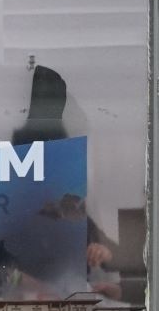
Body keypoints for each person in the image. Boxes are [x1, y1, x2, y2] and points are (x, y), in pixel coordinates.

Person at [10, 63, 119, 284]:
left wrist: (104, 253)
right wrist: (17, 278)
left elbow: (113, 254)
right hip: (29, 300)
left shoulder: (72, 208)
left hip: (70, 295)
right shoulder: (11, 213)